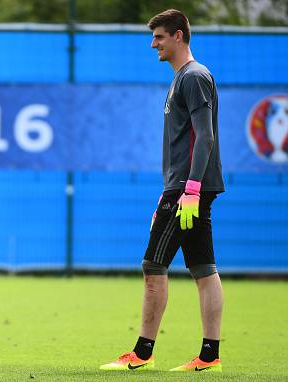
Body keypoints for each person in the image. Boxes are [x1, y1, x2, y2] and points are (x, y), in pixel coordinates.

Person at [100, 9, 225, 372]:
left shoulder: (194, 77)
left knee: (154, 264)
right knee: (203, 267)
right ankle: (209, 356)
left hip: (189, 187)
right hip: (183, 186)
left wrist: (189, 189)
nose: (153, 43)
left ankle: (142, 353)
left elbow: (206, 136)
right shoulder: (181, 79)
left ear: (179, 36)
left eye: (159, 37)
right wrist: (170, 190)